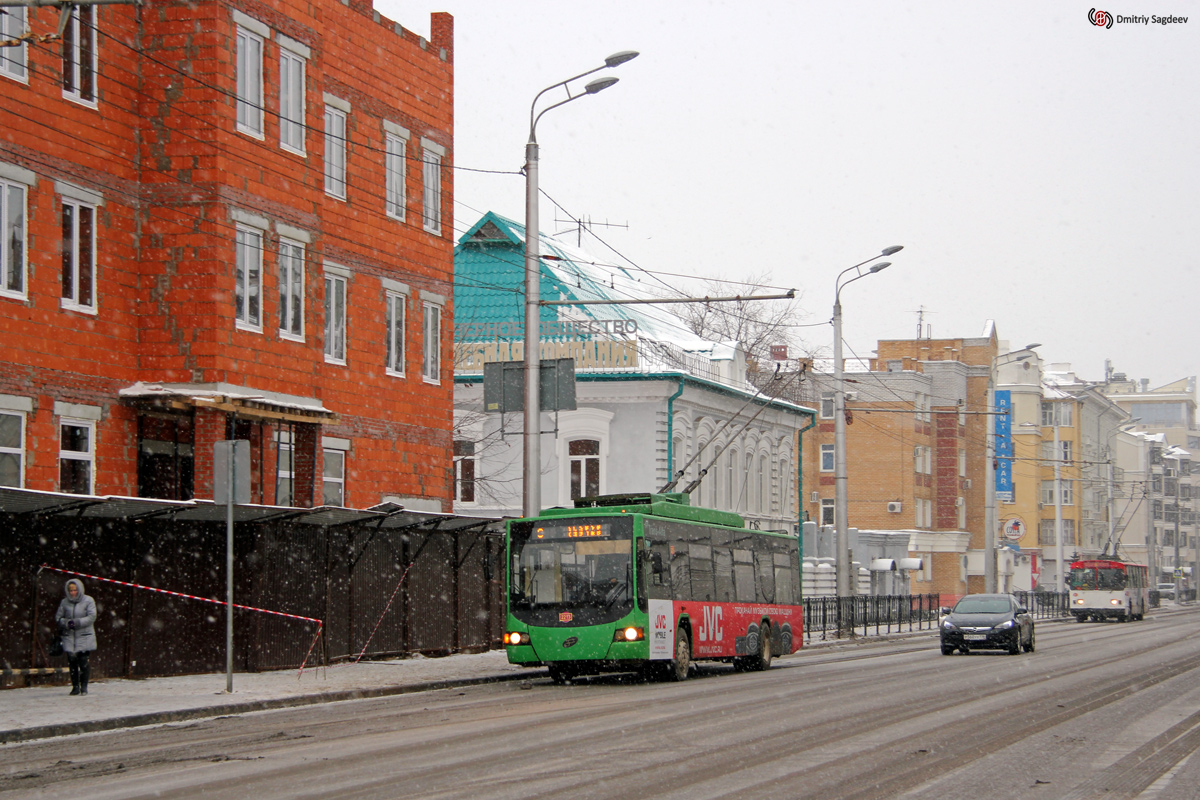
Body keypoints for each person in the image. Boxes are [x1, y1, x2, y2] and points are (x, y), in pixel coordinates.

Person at [55, 578, 97, 696]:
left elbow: (91, 617)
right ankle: (75, 687)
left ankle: (84, 686)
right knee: (72, 662)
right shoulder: (64, 602)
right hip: (70, 636)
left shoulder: (88, 601)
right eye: (70, 590)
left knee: (83, 662)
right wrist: (66, 623)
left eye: (75, 590)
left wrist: (77, 622)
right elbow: (58, 618)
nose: (73, 592)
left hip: (84, 636)